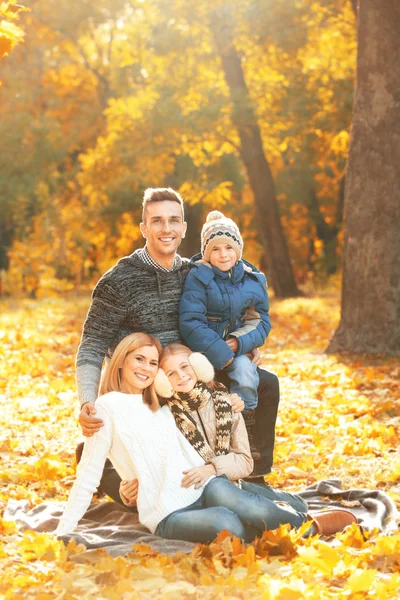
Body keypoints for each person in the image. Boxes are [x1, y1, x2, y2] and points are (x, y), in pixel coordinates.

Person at [76, 188, 280, 499]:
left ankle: (253, 476)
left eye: (174, 220)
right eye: (157, 221)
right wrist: (86, 402)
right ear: (144, 228)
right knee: (150, 487)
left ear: (184, 229)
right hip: (147, 384)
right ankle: (105, 468)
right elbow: (91, 346)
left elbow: (227, 311)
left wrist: (242, 342)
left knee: (264, 384)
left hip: (191, 371)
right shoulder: (118, 281)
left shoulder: (196, 272)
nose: (166, 229)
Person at [57, 333, 356, 542]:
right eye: (139, 359)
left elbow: (194, 428)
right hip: (166, 510)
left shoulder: (160, 404)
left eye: (152, 363)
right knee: (229, 525)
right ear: (121, 360)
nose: (146, 369)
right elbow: (88, 476)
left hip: (202, 484)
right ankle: (287, 519)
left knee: (246, 506)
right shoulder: (106, 408)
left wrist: (212, 467)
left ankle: (309, 526)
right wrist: (63, 530)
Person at [120, 344, 307, 521]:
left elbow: (245, 461)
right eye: (171, 373)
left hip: (231, 484)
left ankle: (274, 504)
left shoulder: (227, 403)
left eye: (185, 367)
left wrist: (212, 468)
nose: (181, 376)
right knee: (242, 514)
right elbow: (154, 466)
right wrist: (130, 492)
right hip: (196, 494)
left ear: (198, 366)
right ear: (162, 381)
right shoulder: (165, 417)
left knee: (300, 505)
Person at [179, 210, 271, 459]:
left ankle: (247, 423)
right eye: (216, 249)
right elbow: (191, 322)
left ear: (238, 250)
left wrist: (240, 342)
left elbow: (260, 321)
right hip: (203, 349)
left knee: (245, 372)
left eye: (229, 248)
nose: (223, 255)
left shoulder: (252, 280)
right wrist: (222, 352)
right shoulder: (198, 277)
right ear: (207, 253)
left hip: (237, 344)